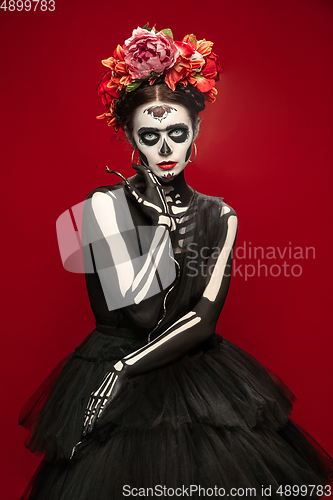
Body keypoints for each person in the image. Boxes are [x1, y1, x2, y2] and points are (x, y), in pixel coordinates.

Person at [19, 26, 333, 499]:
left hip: (188, 371)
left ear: (195, 134)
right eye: (150, 135)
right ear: (130, 137)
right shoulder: (104, 206)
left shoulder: (220, 215)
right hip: (116, 365)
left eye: (176, 133)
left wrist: (125, 369)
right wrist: (158, 226)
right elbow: (143, 314)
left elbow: (203, 323)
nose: (164, 149)